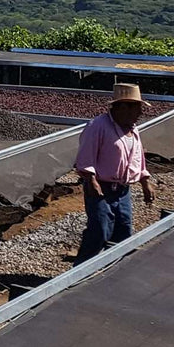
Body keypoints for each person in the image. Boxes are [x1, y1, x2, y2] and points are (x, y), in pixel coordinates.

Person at [73, 81, 154, 262]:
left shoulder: (133, 130)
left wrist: (145, 181)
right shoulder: (97, 126)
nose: (140, 113)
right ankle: (80, 271)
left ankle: (116, 270)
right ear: (123, 107)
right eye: (137, 108)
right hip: (101, 187)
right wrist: (91, 180)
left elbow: (138, 158)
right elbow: (86, 156)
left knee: (123, 230)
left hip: (123, 190)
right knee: (100, 229)